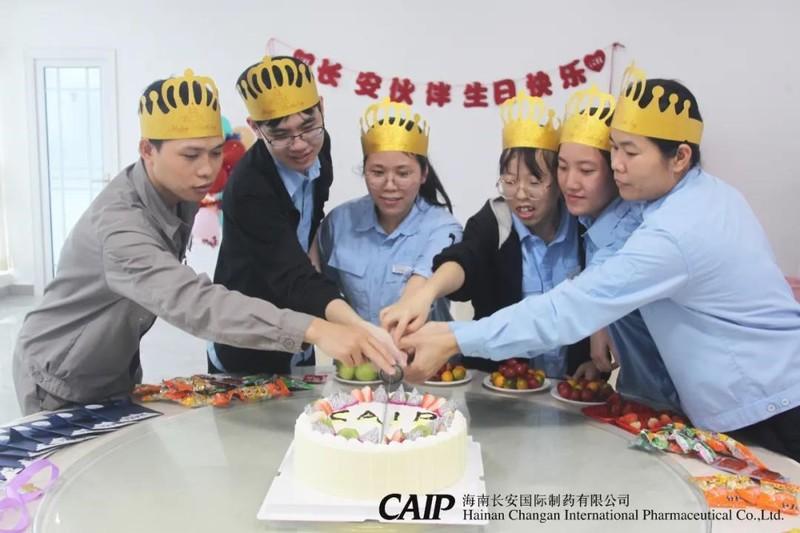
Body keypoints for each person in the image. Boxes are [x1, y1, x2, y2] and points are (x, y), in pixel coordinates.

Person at [400, 64, 800, 461]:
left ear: (679, 157)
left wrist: (454, 337)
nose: (617, 164)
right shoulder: (699, 198)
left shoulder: (675, 232)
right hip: (750, 396)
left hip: (769, 404)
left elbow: (569, 309)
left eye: (630, 152)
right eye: (614, 148)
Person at [12, 69, 395, 415]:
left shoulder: (178, 188)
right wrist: (317, 329)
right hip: (59, 375)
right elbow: (194, 302)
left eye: (215, 152)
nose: (207, 170)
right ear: (147, 150)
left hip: (114, 363)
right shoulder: (121, 228)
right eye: (191, 155)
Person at [381, 95, 595, 378]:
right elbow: (464, 259)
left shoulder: (584, 228)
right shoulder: (494, 221)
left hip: (572, 386)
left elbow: (600, 298)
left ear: (558, 180)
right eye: (509, 181)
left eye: (534, 181)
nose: (520, 194)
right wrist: (427, 293)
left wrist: (591, 358)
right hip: (501, 387)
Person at [210, 56, 396, 374]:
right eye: (281, 134)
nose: (299, 146)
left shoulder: (319, 146)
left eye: (308, 127)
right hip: (248, 335)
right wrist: (358, 326)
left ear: (321, 107)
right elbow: (290, 275)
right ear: (255, 128)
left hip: (303, 326)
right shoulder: (249, 187)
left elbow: (312, 216)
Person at [557, 84, 680, 410]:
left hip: (671, 406)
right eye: (562, 166)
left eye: (586, 170)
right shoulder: (587, 224)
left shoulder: (635, 233)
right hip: (637, 397)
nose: (570, 182)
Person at [316, 98, 462, 330]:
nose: (390, 185)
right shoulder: (339, 223)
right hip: (359, 351)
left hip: (425, 352)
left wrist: (405, 309)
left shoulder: (443, 228)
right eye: (377, 172)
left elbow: (422, 283)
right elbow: (322, 290)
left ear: (423, 174)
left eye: (403, 173)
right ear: (364, 171)